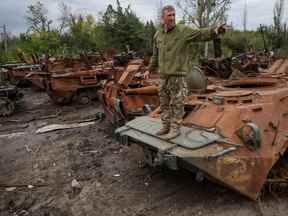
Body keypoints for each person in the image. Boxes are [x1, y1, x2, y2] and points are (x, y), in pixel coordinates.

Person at [144, 5, 227, 140]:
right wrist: (149, 70)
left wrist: (216, 31)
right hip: (164, 76)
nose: (172, 18)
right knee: (164, 103)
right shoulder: (158, 35)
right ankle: (166, 126)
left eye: (174, 15)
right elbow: (155, 55)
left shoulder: (182, 31)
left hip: (178, 76)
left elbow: (201, 34)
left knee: (177, 103)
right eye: (169, 15)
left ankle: (175, 128)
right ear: (162, 18)